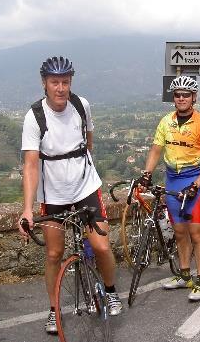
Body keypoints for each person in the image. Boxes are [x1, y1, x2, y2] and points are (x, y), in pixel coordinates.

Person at [18, 56, 122, 335]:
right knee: (54, 254)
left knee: (101, 246)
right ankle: (53, 310)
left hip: (85, 187)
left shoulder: (81, 105)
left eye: (65, 82)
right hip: (53, 192)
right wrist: (27, 209)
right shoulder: (34, 117)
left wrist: (80, 170)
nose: (61, 88)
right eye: (55, 82)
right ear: (44, 83)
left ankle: (111, 291)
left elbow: (88, 142)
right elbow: (30, 165)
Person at [138, 75, 200, 302]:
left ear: (193, 97)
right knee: (180, 232)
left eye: (186, 95)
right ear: (173, 98)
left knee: (196, 233)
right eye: (177, 95)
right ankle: (185, 276)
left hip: (195, 180)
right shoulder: (166, 121)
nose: (181, 98)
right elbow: (156, 149)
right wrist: (147, 173)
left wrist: (196, 185)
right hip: (173, 179)